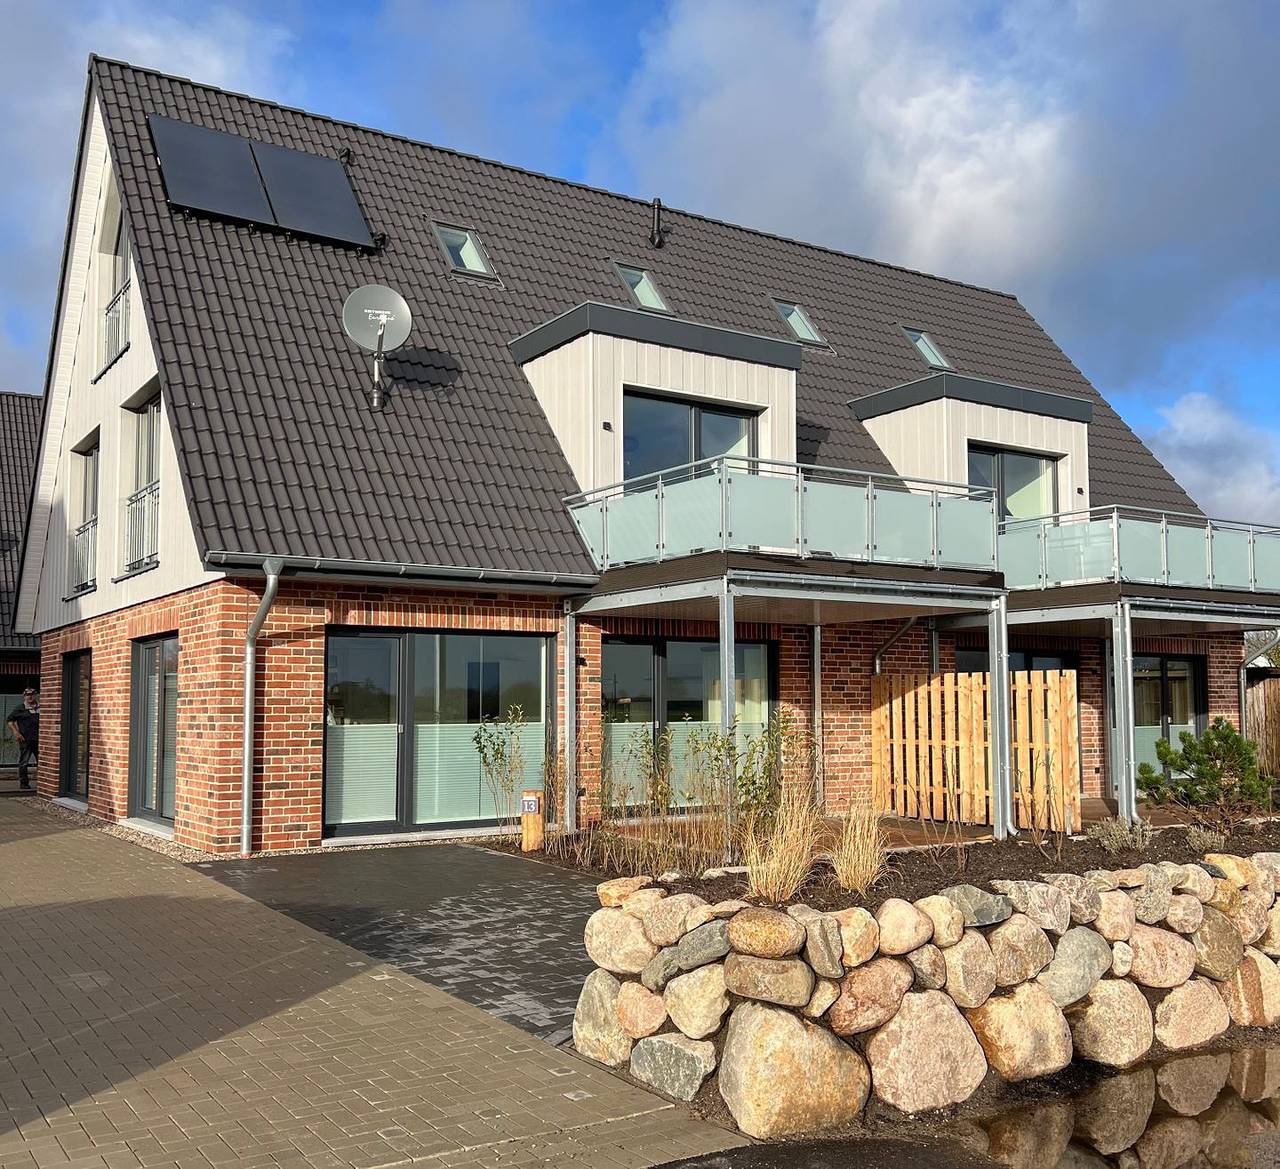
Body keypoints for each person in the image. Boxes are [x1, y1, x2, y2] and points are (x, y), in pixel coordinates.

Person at [7, 688, 39, 789]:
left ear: (35, 695)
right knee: (24, 762)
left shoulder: (41, 707)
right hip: (25, 739)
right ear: (24, 696)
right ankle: (24, 783)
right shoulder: (20, 708)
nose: (30, 696)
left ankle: (42, 783)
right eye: (27, 695)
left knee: (42, 763)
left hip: (40, 740)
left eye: (32, 694)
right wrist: (16, 732)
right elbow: (10, 721)